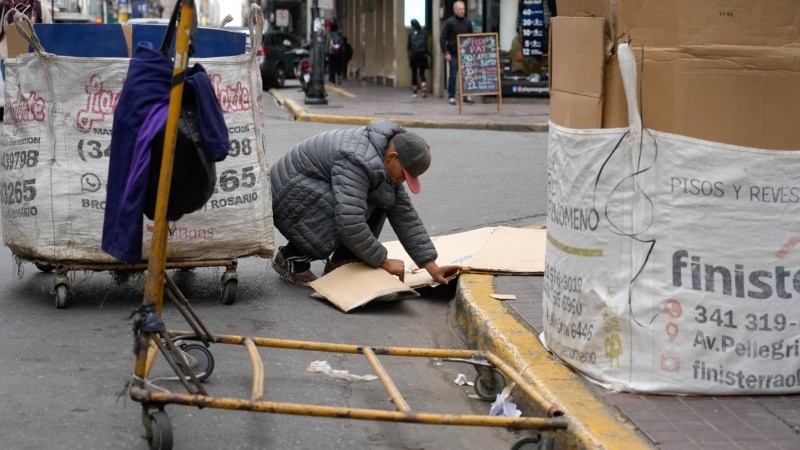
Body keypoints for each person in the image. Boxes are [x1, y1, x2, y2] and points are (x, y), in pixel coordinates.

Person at [270, 120, 465, 286]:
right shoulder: (356, 159)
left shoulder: (383, 155)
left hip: (307, 195)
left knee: (383, 199)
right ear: (392, 157)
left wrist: (431, 266)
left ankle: (343, 264)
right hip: (289, 199)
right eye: (404, 176)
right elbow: (349, 221)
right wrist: (384, 261)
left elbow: (405, 215)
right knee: (347, 210)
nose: (402, 181)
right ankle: (292, 258)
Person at [439, 0, 474, 105]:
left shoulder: (468, 22)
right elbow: (442, 38)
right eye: (460, 9)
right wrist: (446, 52)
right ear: (455, 10)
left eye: (463, 9)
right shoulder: (449, 22)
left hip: (466, 55)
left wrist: (472, 52)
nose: (462, 11)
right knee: (453, 76)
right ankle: (451, 96)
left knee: (467, 76)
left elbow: (472, 38)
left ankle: (466, 96)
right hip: (453, 54)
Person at [407, 19, 428, 98]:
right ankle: (423, 88)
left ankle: (415, 92)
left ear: (412, 26)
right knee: (422, 73)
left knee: (414, 73)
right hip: (422, 55)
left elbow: (408, 46)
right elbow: (426, 45)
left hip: (413, 56)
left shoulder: (410, 34)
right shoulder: (424, 33)